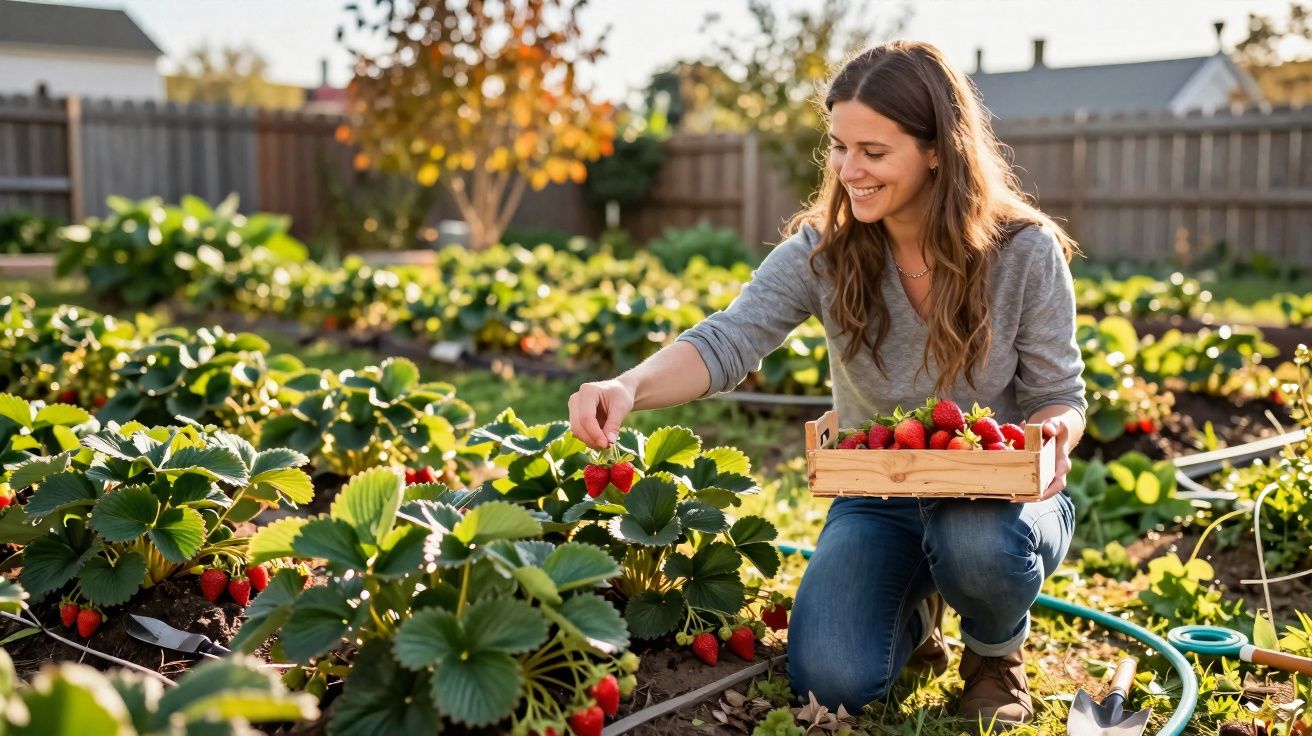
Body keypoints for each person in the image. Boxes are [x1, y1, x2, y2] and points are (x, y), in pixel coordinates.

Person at [567, 40, 1086, 729]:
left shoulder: (1023, 252)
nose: (848, 170)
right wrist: (628, 387)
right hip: (878, 492)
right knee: (832, 681)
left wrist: (1051, 437)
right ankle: (918, 608)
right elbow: (728, 339)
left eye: (873, 151)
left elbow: (1062, 395)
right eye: (839, 147)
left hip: (997, 498)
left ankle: (993, 652)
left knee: (974, 544)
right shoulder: (825, 252)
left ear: (937, 149)